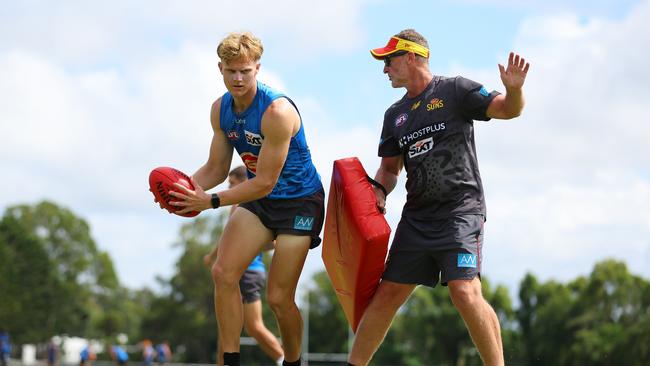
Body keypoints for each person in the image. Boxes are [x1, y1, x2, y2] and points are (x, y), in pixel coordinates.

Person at [346, 29, 530, 366]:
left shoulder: (456, 90)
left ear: (412, 57)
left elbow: (508, 110)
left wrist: (514, 90)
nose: (385, 69)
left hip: (461, 213)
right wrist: (379, 192)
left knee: (464, 292)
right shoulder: (394, 116)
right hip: (417, 220)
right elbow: (389, 168)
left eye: (389, 60)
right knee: (385, 297)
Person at [167, 31, 324, 366]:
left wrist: (209, 202)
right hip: (261, 201)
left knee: (279, 299)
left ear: (258, 69)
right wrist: (182, 189)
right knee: (223, 273)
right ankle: (230, 360)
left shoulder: (277, 112)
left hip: (299, 202)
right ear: (220, 69)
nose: (238, 78)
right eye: (231, 71)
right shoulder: (220, 110)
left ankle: (293, 362)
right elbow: (216, 167)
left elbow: (265, 182)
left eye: (245, 71)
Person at [204, 166, 284, 366]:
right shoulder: (242, 206)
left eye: (232, 183)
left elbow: (270, 244)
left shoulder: (245, 204)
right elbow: (228, 238)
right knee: (227, 328)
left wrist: (214, 256)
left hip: (247, 271)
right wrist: (214, 255)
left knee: (254, 326)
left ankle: (285, 359)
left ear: (244, 181)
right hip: (243, 271)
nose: (229, 186)